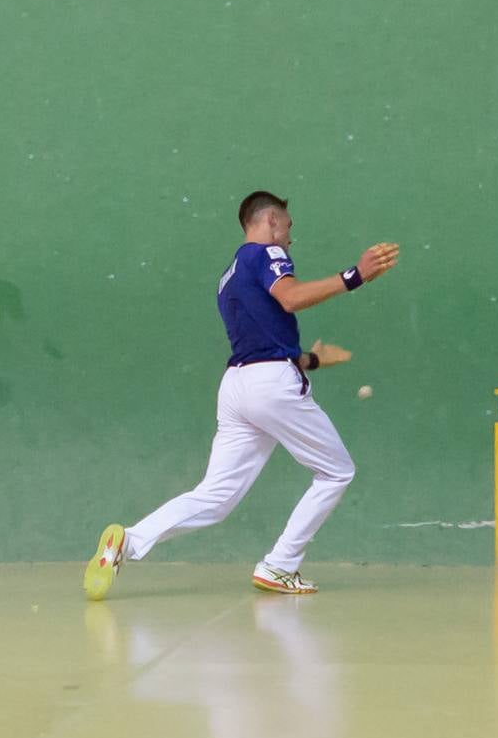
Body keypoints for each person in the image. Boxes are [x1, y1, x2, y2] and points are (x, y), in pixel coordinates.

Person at [86, 191, 397, 599]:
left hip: (237, 387)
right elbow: (290, 297)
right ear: (270, 220)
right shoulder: (265, 255)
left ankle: (126, 541)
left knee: (215, 497)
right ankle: (280, 564)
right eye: (287, 227)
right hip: (269, 387)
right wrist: (354, 275)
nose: (289, 238)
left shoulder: (228, 275)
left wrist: (312, 360)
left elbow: (262, 341)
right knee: (336, 471)